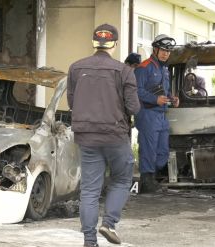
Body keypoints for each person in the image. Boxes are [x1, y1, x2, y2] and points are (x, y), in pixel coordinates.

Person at [67, 23, 140, 247]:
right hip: (115, 135)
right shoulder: (124, 71)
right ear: (114, 44)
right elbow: (134, 107)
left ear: (94, 43)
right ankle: (109, 223)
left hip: (86, 136)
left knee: (89, 189)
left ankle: (90, 241)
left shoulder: (76, 68)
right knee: (122, 178)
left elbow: (71, 102)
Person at [134, 34, 179, 193]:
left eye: (168, 51)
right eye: (163, 50)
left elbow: (163, 92)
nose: (166, 54)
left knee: (163, 152)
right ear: (155, 49)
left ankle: (152, 178)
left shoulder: (164, 69)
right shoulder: (144, 68)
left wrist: (171, 99)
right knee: (149, 150)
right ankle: (147, 182)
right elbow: (135, 91)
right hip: (147, 114)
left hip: (161, 115)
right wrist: (154, 99)